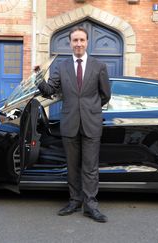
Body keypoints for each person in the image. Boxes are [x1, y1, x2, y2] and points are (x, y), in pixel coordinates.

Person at [37, 26, 111, 223]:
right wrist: (38, 78)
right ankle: (74, 201)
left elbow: (105, 95)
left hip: (91, 123)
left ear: (87, 42)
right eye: (75, 40)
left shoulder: (99, 66)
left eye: (81, 40)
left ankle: (91, 206)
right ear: (70, 43)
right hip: (70, 123)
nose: (78, 44)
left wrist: (90, 109)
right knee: (72, 166)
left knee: (90, 167)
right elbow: (49, 90)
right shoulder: (61, 67)